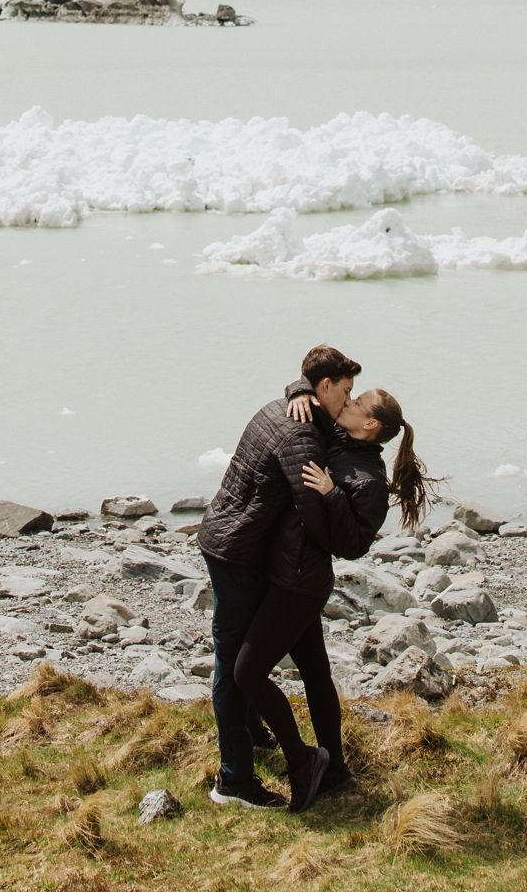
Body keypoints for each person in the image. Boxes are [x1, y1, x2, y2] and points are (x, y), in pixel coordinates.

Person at [231, 387, 433, 811]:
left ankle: (305, 760)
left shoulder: (368, 479)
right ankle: (336, 772)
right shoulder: (343, 437)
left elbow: (354, 544)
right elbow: (319, 383)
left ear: (371, 425)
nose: (348, 403)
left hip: (299, 583)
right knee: (316, 675)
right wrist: (300, 390)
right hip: (292, 573)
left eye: (357, 404)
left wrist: (330, 494)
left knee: (247, 672)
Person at [196, 346, 361, 809]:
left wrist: (297, 388)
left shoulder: (281, 406)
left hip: (228, 540)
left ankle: (252, 734)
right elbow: (314, 518)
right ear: (323, 387)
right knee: (234, 668)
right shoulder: (303, 436)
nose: (349, 401)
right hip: (237, 555)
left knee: (247, 654)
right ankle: (234, 781)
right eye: (345, 392)